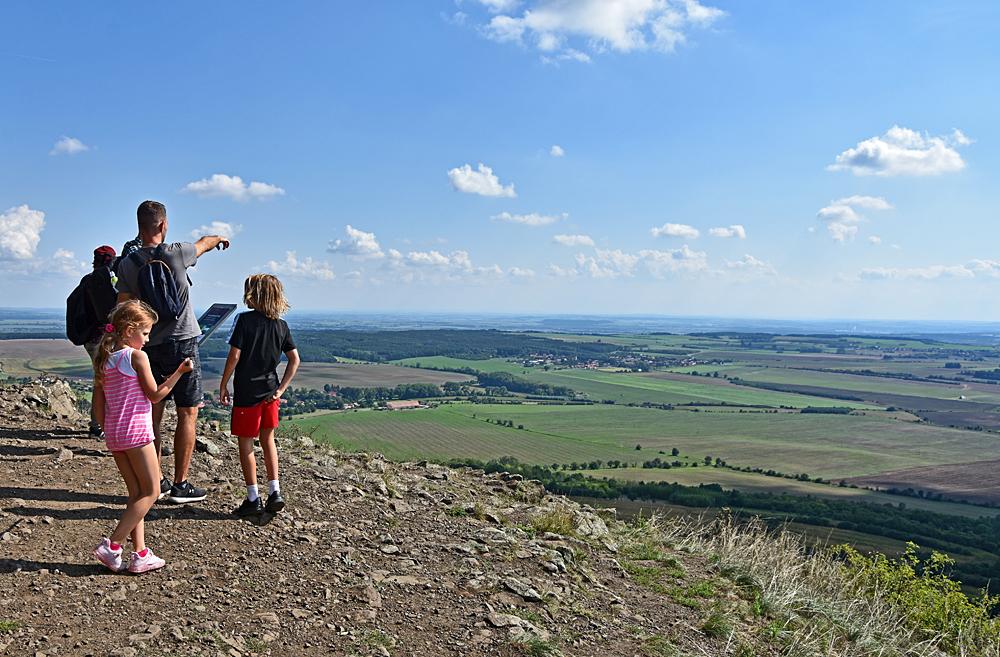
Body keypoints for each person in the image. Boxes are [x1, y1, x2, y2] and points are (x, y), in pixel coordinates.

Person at [115, 200, 230, 504]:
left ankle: (156, 481)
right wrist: (219, 239)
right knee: (187, 412)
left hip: (148, 344)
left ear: (139, 227)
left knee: (152, 412)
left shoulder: (128, 265)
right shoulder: (176, 252)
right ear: (163, 225)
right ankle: (181, 484)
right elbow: (204, 243)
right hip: (184, 342)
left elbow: (123, 309)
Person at [91, 300, 193, 573]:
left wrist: (109, 428)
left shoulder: (104, 359)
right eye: (145, 332)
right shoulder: (137, 357)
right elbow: (156, 394)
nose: (148, 339)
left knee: (136, 494)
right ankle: (112, 546)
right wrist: (179, 373)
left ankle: (141, 554)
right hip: (137, 432)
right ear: (128, 330)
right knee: (153, 491)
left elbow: (97, 409)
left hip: (114, 434)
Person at [219, 274, 300, 516]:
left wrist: (224, 384)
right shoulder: (281, 326)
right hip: (270, 392)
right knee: (268, 441)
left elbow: (234, 356)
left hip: (247, 393)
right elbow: (295, 359)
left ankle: (253, 498)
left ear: (252, 294)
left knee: (246, 444)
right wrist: (281, 389)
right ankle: (275, 491)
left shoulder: (244, 321)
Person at [82, 245, 119, 438]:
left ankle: (98, 424)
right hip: (100, 338)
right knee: (104, 381)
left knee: (101, 379)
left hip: (90, 338)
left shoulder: (88, 280)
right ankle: (99, 426)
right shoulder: (102, 282)